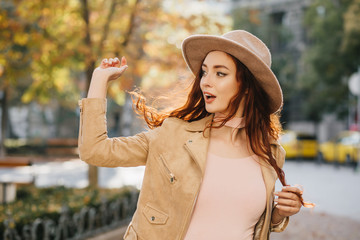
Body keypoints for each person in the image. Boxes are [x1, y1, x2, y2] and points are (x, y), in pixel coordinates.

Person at [78, 30, 305, 240]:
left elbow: (246, 221)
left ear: (247, 86)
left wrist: (280, 212)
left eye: (220, 73)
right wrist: (99, 79)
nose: (206, 80)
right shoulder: (174, 135)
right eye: (205, 71)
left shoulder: (269, 152)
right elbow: (94, 150)